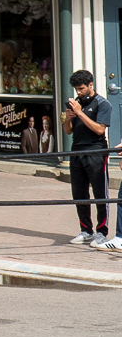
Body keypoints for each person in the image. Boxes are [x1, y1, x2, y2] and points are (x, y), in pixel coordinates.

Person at [64, 69, 113, 247]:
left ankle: (102, 232)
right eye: (76, 89)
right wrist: (68, 119)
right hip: (77, 151)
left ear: (90, 85)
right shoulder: (75, 103)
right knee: (79, 193)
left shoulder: (103, 104)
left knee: (100, 193)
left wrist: (80, 113)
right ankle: (86, 230)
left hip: (96, 151)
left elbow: (100, 129)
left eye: (82, 88)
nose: (78, 92)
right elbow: (68, 131)